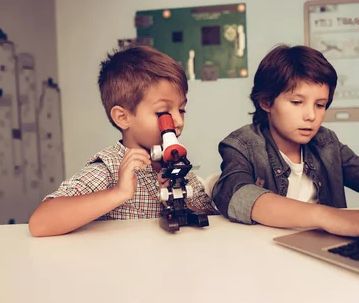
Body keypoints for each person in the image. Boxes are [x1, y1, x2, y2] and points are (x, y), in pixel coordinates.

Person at [212, 44, 359, 247]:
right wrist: (326, 216)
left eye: (320, 105)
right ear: (266, 102)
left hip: (326, 251)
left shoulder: (327, 144)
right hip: (266, 255)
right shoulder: (242, 145)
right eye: (297, 102)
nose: (311, 116)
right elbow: (237, 195)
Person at [28, 46, 217, 237]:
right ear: (123, 117)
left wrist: (181, 200)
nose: (178, 121)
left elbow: (212, 220)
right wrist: (119, 192)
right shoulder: (110, 168)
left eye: (182, 110)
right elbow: (40, 223)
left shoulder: (177, 165)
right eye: (163, 113)